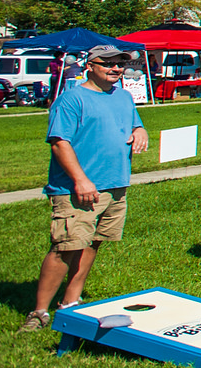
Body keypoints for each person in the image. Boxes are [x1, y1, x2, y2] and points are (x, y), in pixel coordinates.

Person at [18, 45, 149, 332]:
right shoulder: (72, 98)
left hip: (115, 185)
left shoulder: (123, 97)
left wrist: (140, 130)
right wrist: (80, 179)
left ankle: (71, 303)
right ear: (90, 65)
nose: (116, 69)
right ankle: (39, 312)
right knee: (66, 247)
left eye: (120, 64)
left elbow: (134, 124)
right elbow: (59, 142)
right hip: (78, 188)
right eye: (108, 64)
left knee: (93, 244)